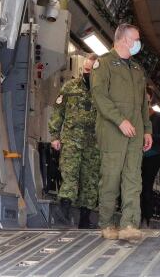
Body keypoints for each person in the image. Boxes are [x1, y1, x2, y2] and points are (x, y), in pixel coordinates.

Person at [90, 24, 152, 242]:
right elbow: (99, 97)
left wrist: (147, 130)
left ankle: (128, 224)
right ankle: (107, 223)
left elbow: (144, 104)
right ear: (124, 40)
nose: (138, 43)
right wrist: (120, 121)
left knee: (133, 177)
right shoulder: (104, 64)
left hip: (135, 131)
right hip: (112, 130)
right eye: (136, 39)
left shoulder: (137, 70)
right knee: (111, 176)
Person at [48, 53, 100, 228]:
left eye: (91, 70)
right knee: (69, 175)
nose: (87, 73)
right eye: (85, 69)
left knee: (90, 180)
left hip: (94, 143)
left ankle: (85, 219)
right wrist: (54, 136)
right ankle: (63, 214)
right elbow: (58, 112)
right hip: (71, 140)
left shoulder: (103, 92)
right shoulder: (69, 87)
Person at [141, 87, 160, 227]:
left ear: (150, 98)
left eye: (145, 95)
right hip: (136, 156)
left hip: (152, 157)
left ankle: (146, 217)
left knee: (146, 187)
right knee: (134, 186)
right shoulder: (134, 115)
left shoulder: (158, 117)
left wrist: (150, 136)